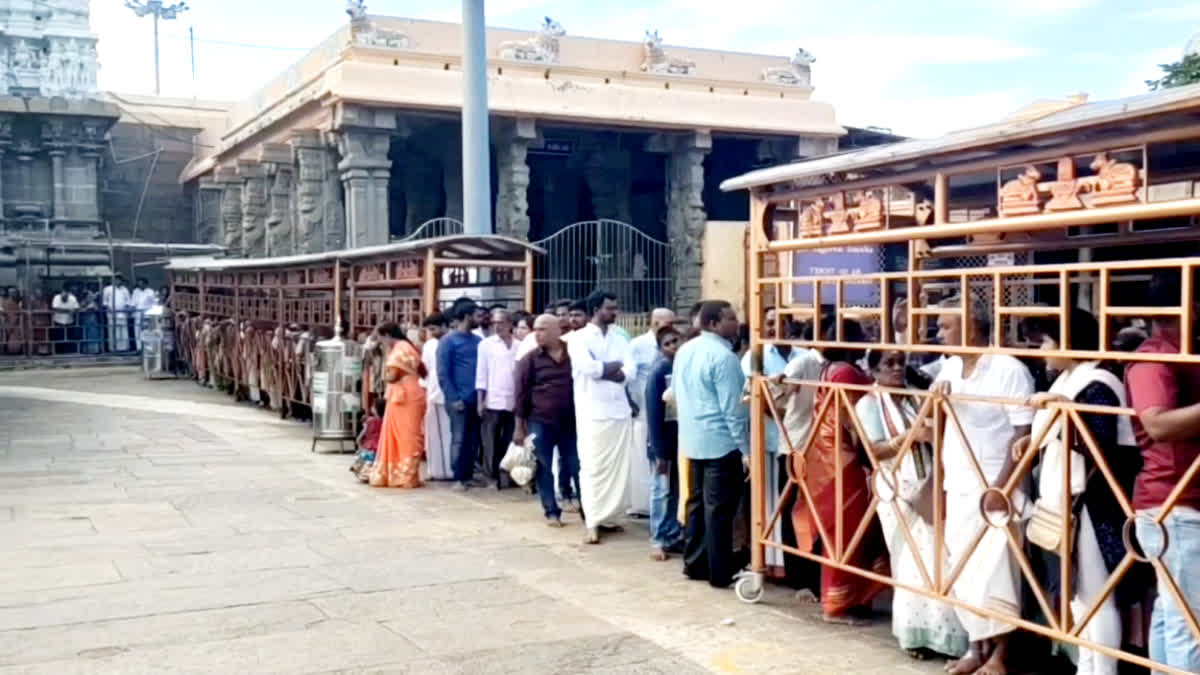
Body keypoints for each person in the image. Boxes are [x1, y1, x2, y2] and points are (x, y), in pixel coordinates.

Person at [1025, 308, 1143, 675]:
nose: (1043, 349)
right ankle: (1086, 666)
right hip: (1066, 497)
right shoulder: (1069, 380)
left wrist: (1063, 416)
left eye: (1047, 341)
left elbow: (1099, 445)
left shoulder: (1099, 384)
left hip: (1093, 501)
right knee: (1079, 596)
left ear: (1069, 342)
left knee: (1096, 596)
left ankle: (1102, 670)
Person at [932, 298, 1034, 675]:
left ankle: (1000, 656)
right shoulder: (949, 367)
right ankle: (974, 649)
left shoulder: (1009, 369)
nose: (938, 334)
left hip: (996, 490)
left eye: (945, 326)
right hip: (957, 485)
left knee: (997, 572)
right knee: (963, 570)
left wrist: (1002, 485)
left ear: (972, 328)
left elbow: (1025, 433)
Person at [856, 349, 968, 659]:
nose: (896, 369)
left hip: (930, 484)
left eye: (900, 363)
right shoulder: (868, 404)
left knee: (942, 559)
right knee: (909, 564)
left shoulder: (917, 397)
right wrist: (909, 437)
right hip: (896, 488)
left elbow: (941, 433)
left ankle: (947, 635)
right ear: (874, 370)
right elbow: (872, 451)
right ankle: (914, 636)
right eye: (888, 364)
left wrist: (930, 435)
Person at [1124, 271, 1200, 674]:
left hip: (1172, 503)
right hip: (1173, 504)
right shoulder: (1155, 356)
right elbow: (1157, 423)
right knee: (1189, 621)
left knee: (1172, 615)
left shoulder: (1180, 352)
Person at [791, 318, 890, 624]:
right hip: (843, 460)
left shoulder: (830, 369)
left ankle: (853, 596)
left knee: (845, 530)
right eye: (861, 335)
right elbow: (854, 417)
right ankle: (838, 604)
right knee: (846, 531)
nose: (866, 340)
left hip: (829, 455)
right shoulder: (847, 373)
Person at [673, 300, 749, 588]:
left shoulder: (685, 350)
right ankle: (719, 572)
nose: (737, 322)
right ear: (714, 324)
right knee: (718, 510)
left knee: (696, 504)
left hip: (693, 438)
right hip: (721, 442)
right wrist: (745, 449)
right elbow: (734, 409)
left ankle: (695, 564)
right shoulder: (724, 357)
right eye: (731, 318)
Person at [568, 290, 636, 544]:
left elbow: (631, 371)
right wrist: (613, 367)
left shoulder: (620, 339)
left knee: (619, 469)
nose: (614, 312)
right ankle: (593, 522)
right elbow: (588, 369)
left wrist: (610, 368)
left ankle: (612, 517)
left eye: (615, 307)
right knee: (593, 467)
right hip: (592, 411)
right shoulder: (578, 338)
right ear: (596, 309)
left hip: (619, 410)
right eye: (610, 308)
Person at [741, 306, 797, 576]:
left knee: (787, 503)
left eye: (783, 322)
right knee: (767, 503)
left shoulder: (802, 355)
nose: (777, 328)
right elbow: (755, 397)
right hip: (768, 437)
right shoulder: (756, 356)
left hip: (796, 442)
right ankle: (769, 560)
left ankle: (787, 561)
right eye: (771, 322)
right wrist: (784, 413)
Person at [513, 314, 580, 527]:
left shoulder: (574, 354)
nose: (537, 334)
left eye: (542, 329)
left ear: (556, 330)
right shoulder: (530, 359)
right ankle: (551, 510)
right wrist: (519, 428)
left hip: (571, 421)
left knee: (576, 465)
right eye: (536, 329)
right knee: (544, 466)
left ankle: (588, 511)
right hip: (540, 420)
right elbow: (520, 394)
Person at [628, 307, 677, 517]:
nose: (672, 344)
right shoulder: (638, 346)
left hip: (671, 418)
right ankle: (653, 522)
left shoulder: (676, 357)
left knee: (667, 477)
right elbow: (629, 377)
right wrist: (632, 403)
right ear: (654, 323)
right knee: (655, 466)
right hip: (647, 411)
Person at [367, 322, 427, 488]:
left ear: (387, 335)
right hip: (412, 392)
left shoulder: (399, 349)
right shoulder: (409, 346)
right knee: (411, 433)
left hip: (404, 396)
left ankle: (404, 476)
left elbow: (392, 376)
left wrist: (384, 375)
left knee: (404, 435)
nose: (380, 342)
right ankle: (407, 475)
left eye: (380, 338)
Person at [645, 324, 684, 560]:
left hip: (679, 438)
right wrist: (659, 452)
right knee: (661, 490)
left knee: (677, 491)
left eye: (676, 341)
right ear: (661, 347)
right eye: (668, 343)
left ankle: (671, 535)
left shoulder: (681, 366)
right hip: (662, 442)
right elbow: (653, 413)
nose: (674, 347)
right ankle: (657, 538)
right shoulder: (660, 371)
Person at [438, 302, 484, 491]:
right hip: (458, 399)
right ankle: (457, 476)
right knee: (459, 438)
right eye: (477, 315)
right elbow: (443, 373)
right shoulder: (448, 341)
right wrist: (453, 397)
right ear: (467, 316)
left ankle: (468, 475)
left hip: (476, 399)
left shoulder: (478, 341)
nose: (479, 320)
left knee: (473, 440)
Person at [476, 308, 519, 488]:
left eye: (501, 323)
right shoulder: (486, 345)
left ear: (510, 324)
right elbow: (481, 373)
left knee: (508, 440)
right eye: (494, 323)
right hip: (492, 399)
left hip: (513, 400)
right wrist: (480, 399)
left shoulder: (519, 344)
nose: (497, 326)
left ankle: (505, 475)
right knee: (489, 440)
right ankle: (490, 476)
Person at [420, 312, 454, 481]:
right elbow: (425, 371)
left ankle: (450, 469)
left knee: (450, 434)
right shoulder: (429, 345)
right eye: (429, 329)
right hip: (433, 391)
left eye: (434, 328)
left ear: (444, 325)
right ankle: (435, 470)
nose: (432, 332)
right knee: (433, 433)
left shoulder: (453, 341)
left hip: (451, 393)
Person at [350, 398, 386, 483]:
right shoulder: (385, 421)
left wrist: (358, 442)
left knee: (364, 460)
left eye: (373, 406)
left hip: (369, 445)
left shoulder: (370, 421)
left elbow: (363, 433)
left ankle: (364, 475)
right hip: (381, 446)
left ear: (375, 409)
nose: (371, 407)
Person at [102, 275, 132, 352]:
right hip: (111, 314)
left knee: (123, 331)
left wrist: (126, 308)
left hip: (122, 313)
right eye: (116, 280)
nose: (118, 281)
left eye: (119, 280)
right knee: (113, 331)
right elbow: (105, 302)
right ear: (113, 280)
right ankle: (113, 348)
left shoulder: (125, 289)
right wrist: (109, 309)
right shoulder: (107, 289)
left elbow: (128, 301)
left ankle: (124, 348)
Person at [51, 285, 79, 355]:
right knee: (58, 338)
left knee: (69, 337)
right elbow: (55, 308)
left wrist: (70, 310)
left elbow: (77, 308)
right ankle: (58, 352)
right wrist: (68, 310)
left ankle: (67, 352)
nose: (64, 298)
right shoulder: (56, 297)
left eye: (66, 297)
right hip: (58, 321)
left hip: (69, 321)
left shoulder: (72, 298)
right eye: (63, 297)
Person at [131, 277, 157, 349]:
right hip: (137, 315)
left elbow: (154, 304)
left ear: (145, 284)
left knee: (147, 332)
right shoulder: (135, 291)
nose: (140, 285)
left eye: (141, 283)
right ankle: (139, 348)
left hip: (146, 316)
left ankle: (148, 348)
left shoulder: (150, 292)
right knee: (137, 332)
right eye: (139, 283)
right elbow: (133, 303)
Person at [2, 288, 24, 355]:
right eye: (12, 293)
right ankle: (7, 350)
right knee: (6, 337)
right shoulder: (5, 302)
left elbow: (18, 313)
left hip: (16, 323)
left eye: (15, 292)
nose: (14, 294)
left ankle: (16, 350)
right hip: (8, 322)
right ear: (9, 294)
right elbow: (3, 313)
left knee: (17, 337)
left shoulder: (17, 303)